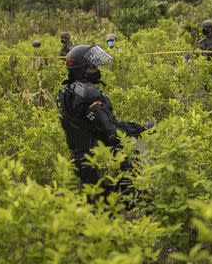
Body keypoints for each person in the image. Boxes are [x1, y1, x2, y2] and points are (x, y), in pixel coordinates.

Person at [56, 44, 152, 190]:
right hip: (98, 159)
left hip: (80, 158)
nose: (97, 71)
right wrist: (139, 129)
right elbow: (111, 132)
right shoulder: (87, 92)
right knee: (114, 202)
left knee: (93, 203)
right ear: (82, 70)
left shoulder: (66, 92)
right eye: (93, 68)